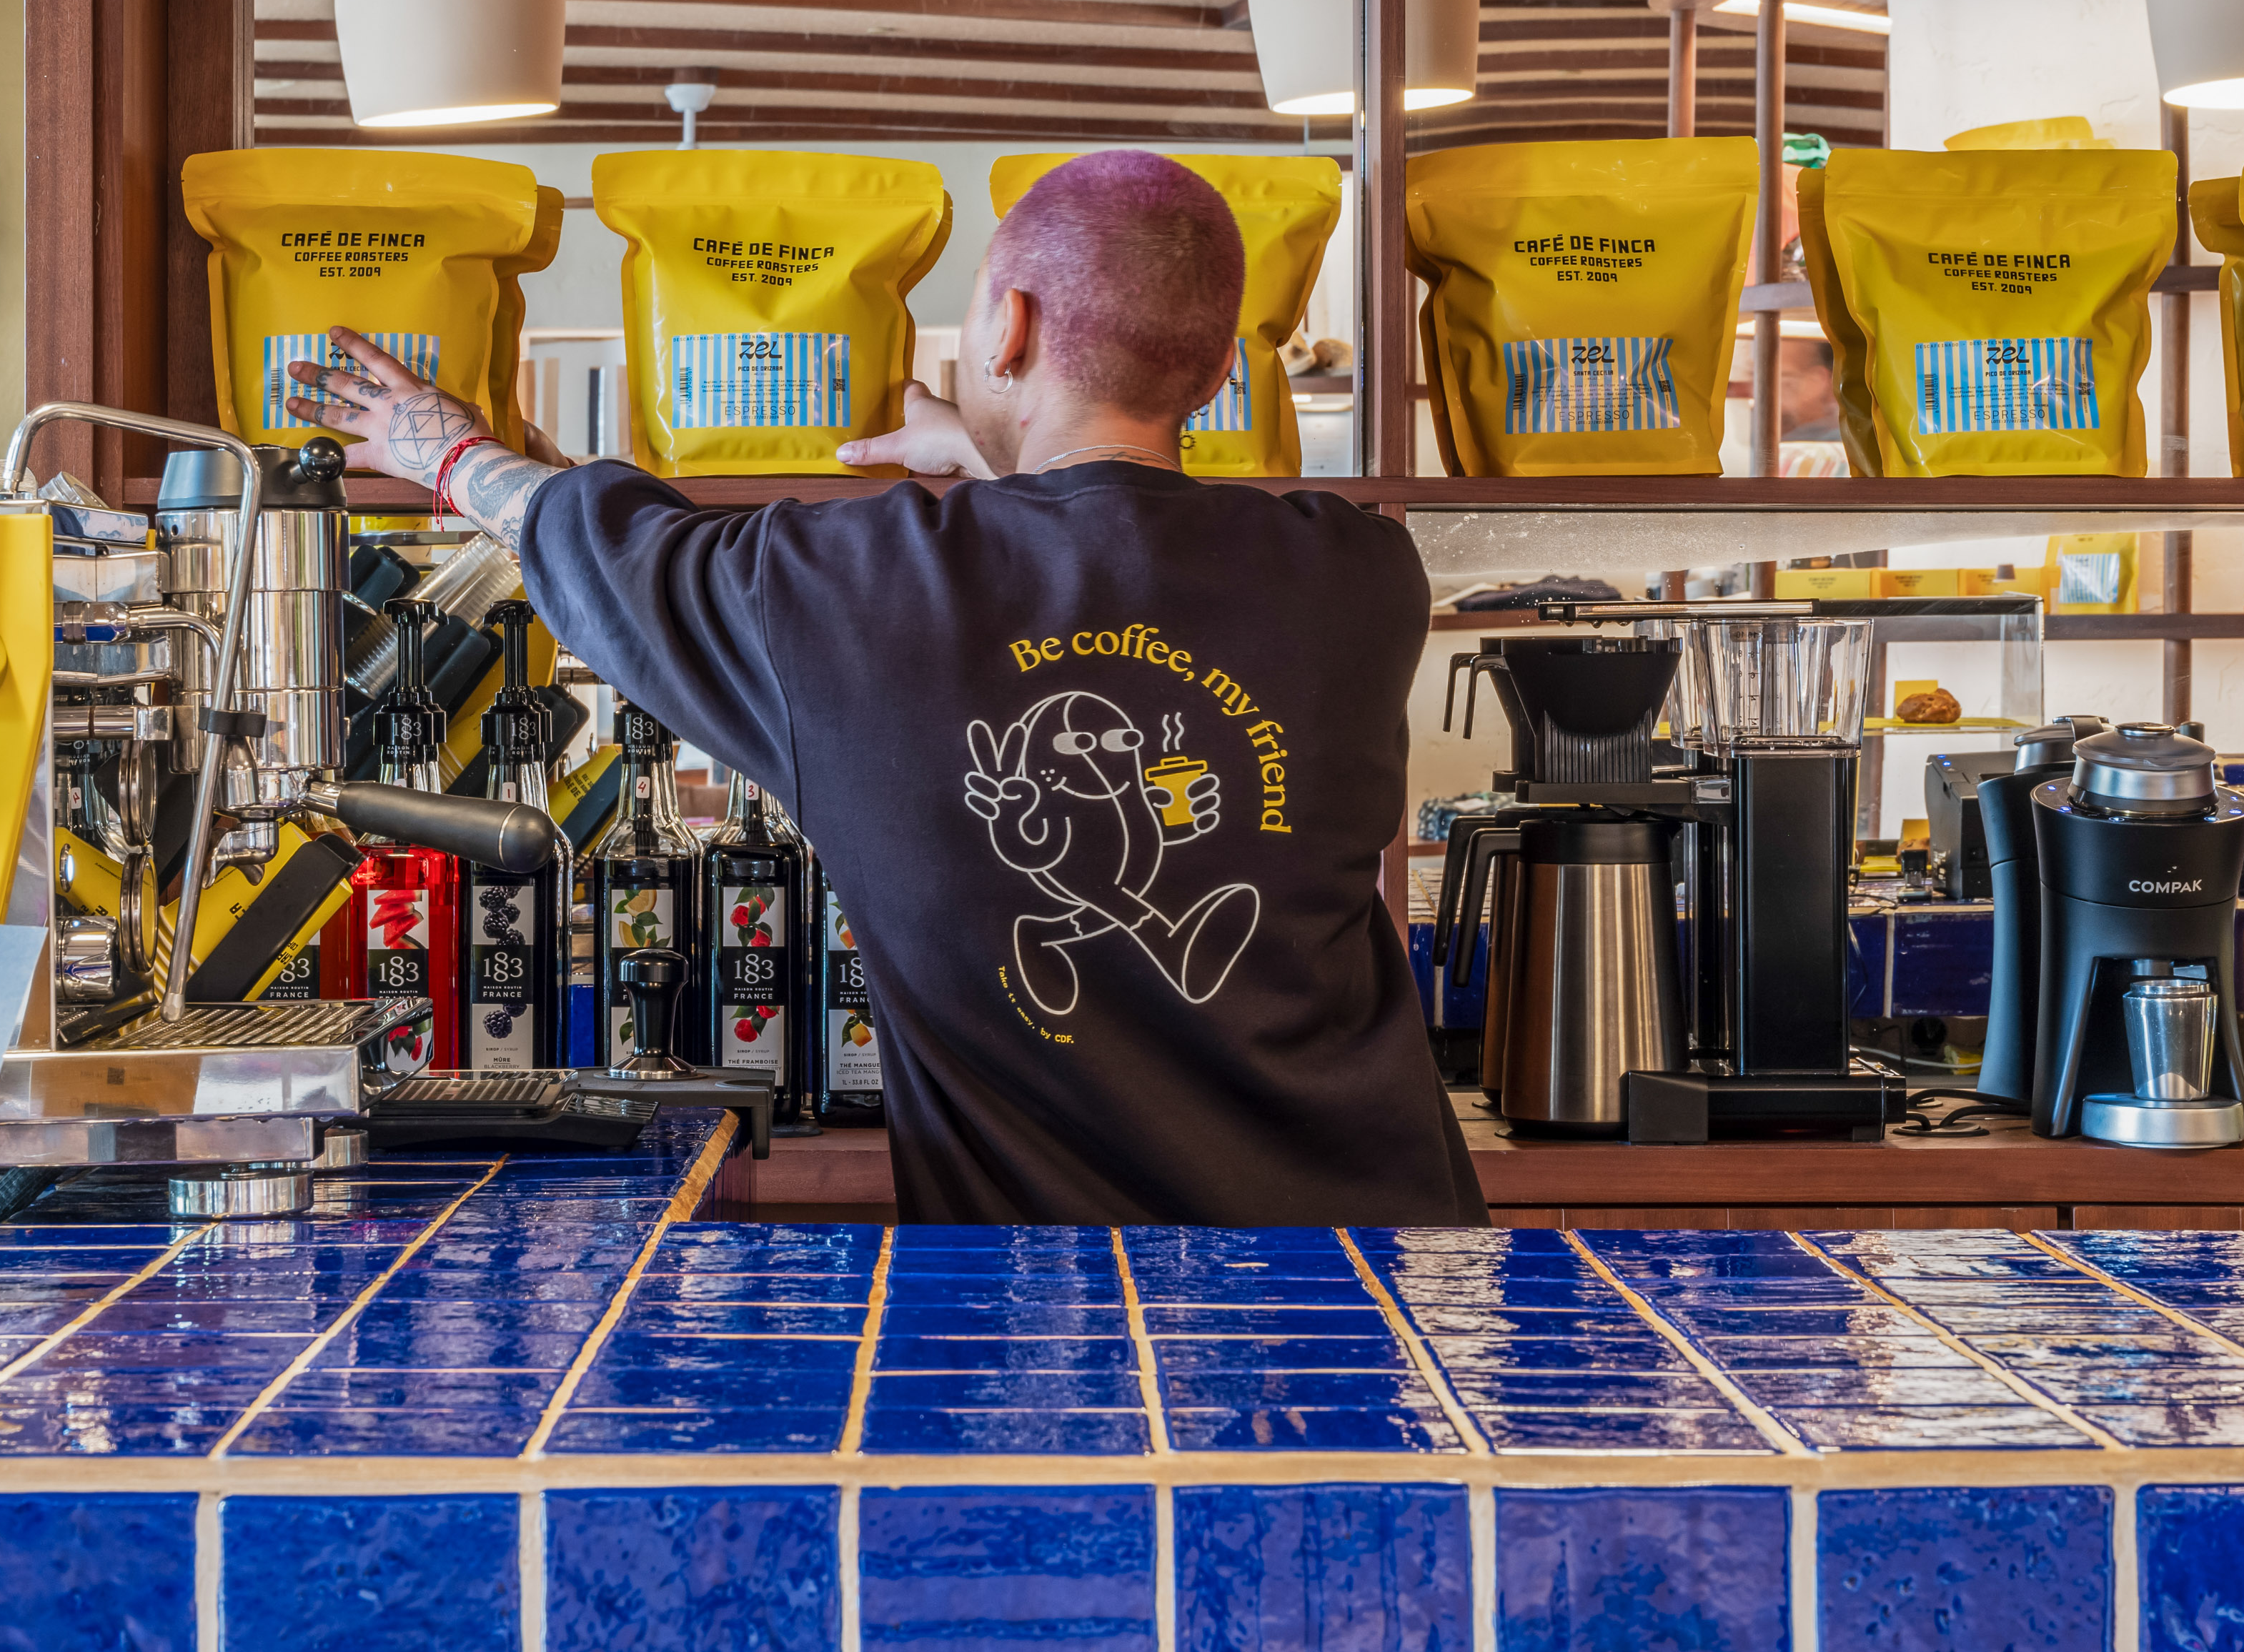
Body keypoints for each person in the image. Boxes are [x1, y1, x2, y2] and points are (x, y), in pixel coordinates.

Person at [286, 150, 1488, 1228]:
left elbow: (608, 551)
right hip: (1368, 1264)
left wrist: (438, 444)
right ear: (1222, 367)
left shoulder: (844, 590)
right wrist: (985, 469)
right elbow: (1122, 548)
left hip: (1045, 1322)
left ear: (1007, 329)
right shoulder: (1360, 574)